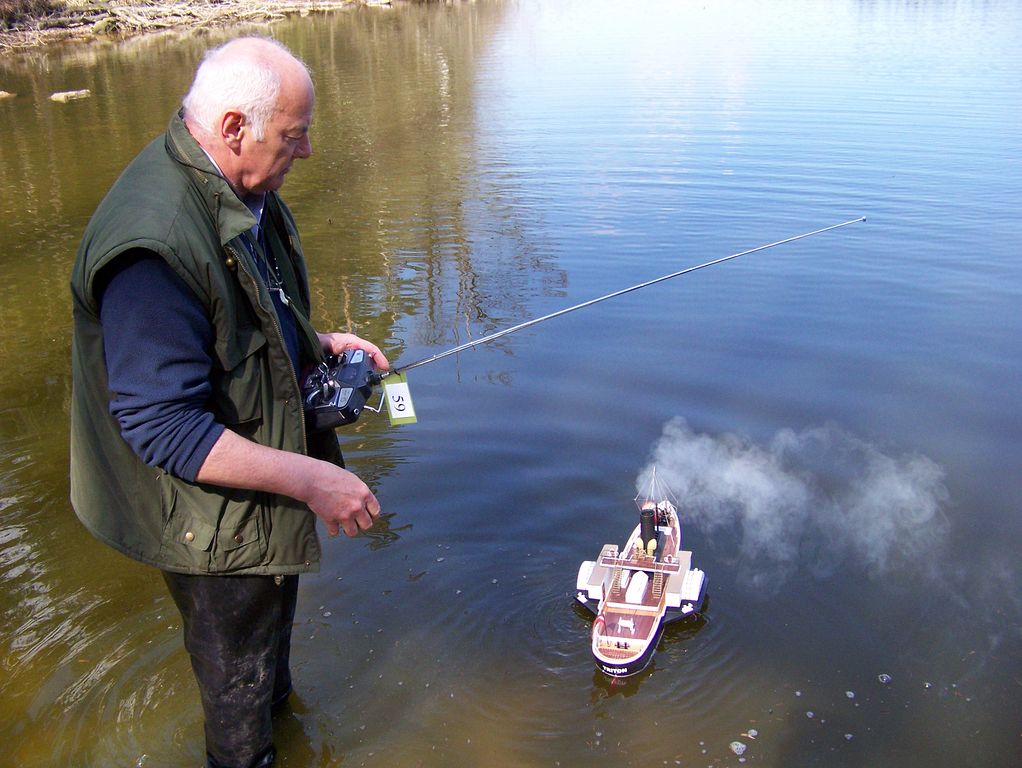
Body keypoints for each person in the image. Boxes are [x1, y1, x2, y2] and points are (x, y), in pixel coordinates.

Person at [69, 37, 389, 768]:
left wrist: (317, 343)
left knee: (268, 679)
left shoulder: (237, 188)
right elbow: (163, 425)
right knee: (238, 710)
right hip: (205, 518)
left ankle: (283, 725)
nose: (305, 151)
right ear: (236, 127)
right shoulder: (152, 245)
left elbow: (237, 315)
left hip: (256, 483)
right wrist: (314, 479)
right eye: (294, 135)